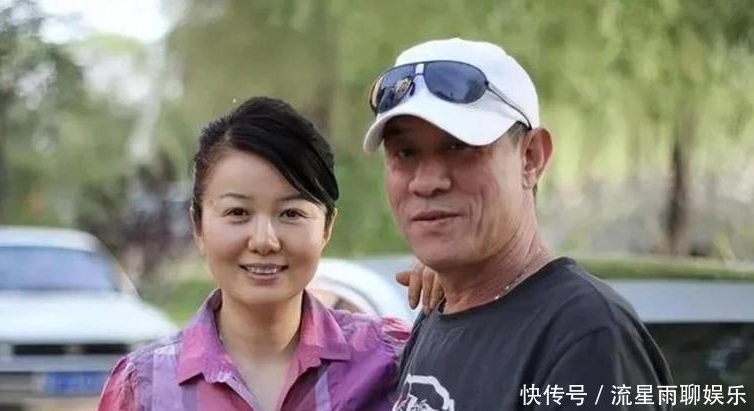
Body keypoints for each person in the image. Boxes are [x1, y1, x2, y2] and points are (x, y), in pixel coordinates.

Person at [364, 38, 674, 410]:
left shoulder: (586, 336)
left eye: (458, 147)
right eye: (405, 153)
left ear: (531, 157)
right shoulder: (442, 310)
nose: (427, 182)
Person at [98, 97, 438, 411]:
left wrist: (458, 282)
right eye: (237, 213)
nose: (264, 241)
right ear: (198, 226)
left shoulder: (393, 361)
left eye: (291, 213)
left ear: (326, 227)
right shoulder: (144, 387)